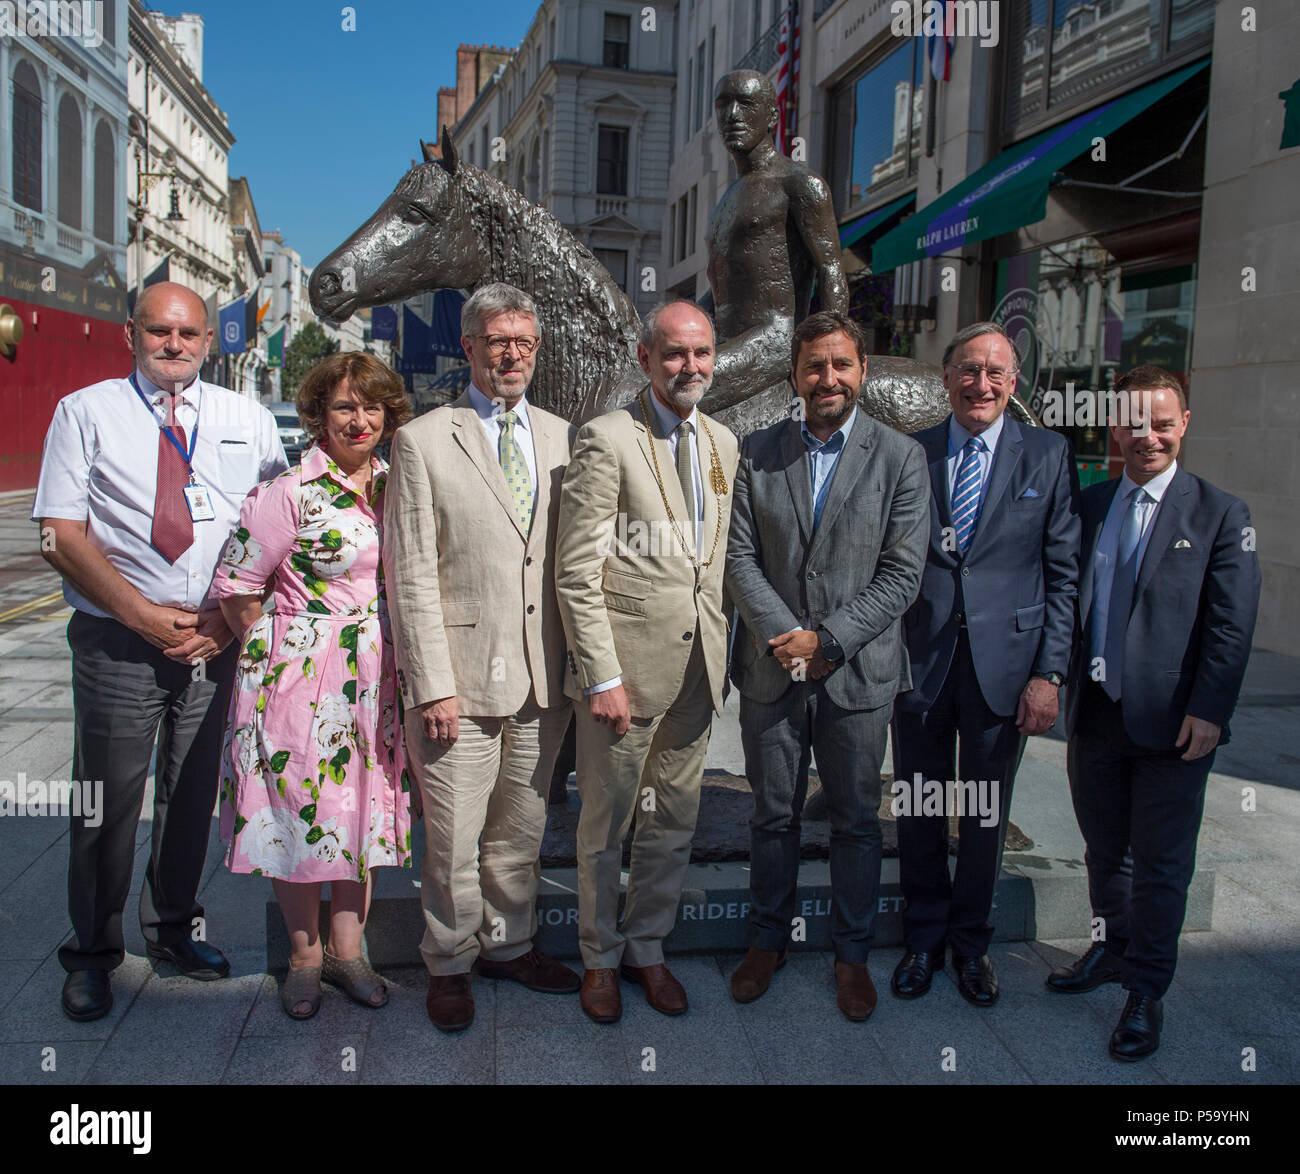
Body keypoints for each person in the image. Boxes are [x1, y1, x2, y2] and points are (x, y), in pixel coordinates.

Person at [33, 282, 286, 1022]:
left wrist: (232, 620)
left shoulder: (246, 418)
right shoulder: (86, 413)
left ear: (210, 341)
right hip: (119, 638)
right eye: (158, 332)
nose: (173, 345)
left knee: (191, 798)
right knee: (106, 804)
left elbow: (277, 528)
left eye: (188, 334)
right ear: (131, 335)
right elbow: (59, 534)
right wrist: (143, 616)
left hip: (215, 639)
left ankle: (175, 930)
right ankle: (92, 954)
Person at [383, 283, 579, 1033]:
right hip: (457, 685)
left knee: (519, 835)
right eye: (498, 341)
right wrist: (430, 685)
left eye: (524, 343)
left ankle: (510, 945)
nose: (512, 355)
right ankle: (450, 962)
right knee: (455, 841)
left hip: (543, 679)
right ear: (468, 347)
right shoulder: (425, 439)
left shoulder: (566, 439)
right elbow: (411, 575)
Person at [1049, 366, 1259, 1061]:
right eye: (1135, 422)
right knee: (1105, 850)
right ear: (1114, 427)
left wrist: (1210, 710)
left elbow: (1231, 627)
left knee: (1163, 865)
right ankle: (1110, 951)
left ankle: (1145, 991)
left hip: (1175, 724)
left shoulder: (1221, 514)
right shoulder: (1091, 504)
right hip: (1098, 714)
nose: (1148, 436)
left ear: (1184, 425)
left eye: (1162, 422)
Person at [724, 311, 928, 1019]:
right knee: (773, 817)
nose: (828, 378)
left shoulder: (900, 458)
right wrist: (787, 634)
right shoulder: (755, 453)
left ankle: (851, 956)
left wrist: (828, 639)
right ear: (795, 374)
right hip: (771, 669)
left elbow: (903, 574)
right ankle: (766, 941)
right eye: (815, 366)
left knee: (856, 822)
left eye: (841, 364)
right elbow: (737, 557)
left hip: (857, 674)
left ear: (862, 371)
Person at [212, 352, 413, 1019]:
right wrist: (276, 654)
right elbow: (236, 583)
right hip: (299, 681)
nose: (360, 421)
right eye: (345, 407)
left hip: (376, 676)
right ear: (319, 414)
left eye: (373, 407)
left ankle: (348, 951)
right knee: (295, 809)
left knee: (362, 809)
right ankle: (303, 958)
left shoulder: (397, 485)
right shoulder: (289, 489)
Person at [556, 299, 739, 1024]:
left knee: (672, 822)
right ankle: (598, 958)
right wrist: (600, 675)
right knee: (605, 825)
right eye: (674, 354)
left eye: (700, 354)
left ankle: (647, 947)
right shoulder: (607, 438)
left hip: (698, 669)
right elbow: (577, 569)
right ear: (645, 359)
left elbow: (713, 561)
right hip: (622, 677)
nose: (689, 366)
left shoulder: (723, 442)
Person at [891, 322, 1080, 1008]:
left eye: (996, 373)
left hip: (1008, 667)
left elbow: (1064, 575)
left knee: (983, 814)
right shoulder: (913, 453)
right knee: (917, 805)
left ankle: (970, 944)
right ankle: (921, 937)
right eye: (969, 370)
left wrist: (1050, 673)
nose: (982, 384)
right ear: (945, 379)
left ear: (1015, 384)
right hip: (921, 662)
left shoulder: (1049, 455)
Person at [697, 69, 847, 421]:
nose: (733, 115)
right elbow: (718, 293)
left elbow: (832, 272)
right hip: (730, 341)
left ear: (773, 115)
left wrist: (826, 355)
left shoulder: (799, 184)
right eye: (723, 105)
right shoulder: (728, 199)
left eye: (746, 104)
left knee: (672, 383)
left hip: (773, 341)